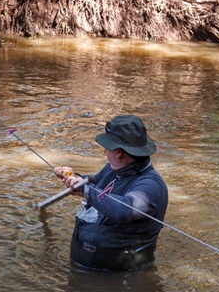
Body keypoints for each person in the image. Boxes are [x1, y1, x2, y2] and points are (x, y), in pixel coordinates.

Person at [54, 114, 168, 271]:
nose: (105, 151)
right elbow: (96, 181)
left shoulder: (151, 186)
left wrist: (86, 190)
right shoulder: (113, 168)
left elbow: (125, 209)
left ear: (118, 152)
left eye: (106, 147)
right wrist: (75, 178)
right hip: (86, 273)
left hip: (120, 280)